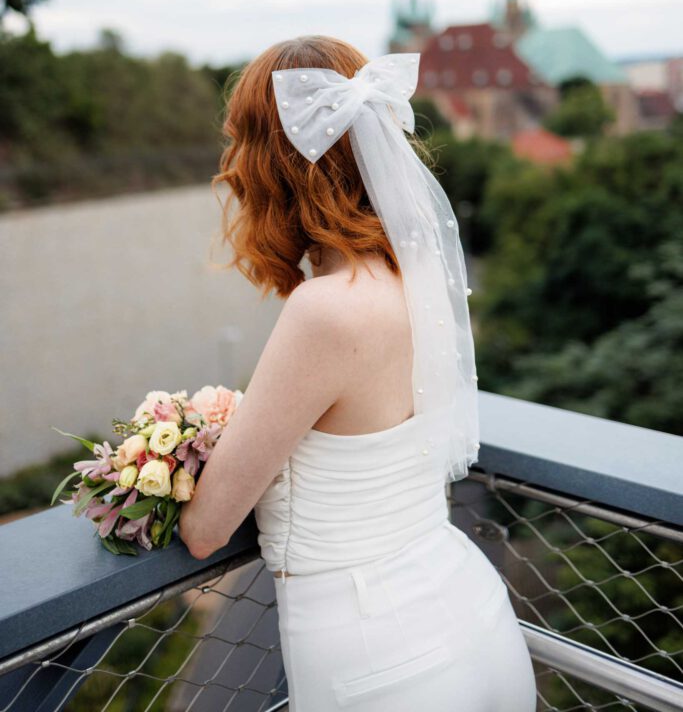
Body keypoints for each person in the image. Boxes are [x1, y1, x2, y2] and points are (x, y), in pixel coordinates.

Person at [178, 35, 537, 710]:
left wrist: (167, 451)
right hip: (471, 611)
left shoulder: (325, 313)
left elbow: (206, 529)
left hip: (379, 656)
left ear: (271, 167)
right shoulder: (419, 280)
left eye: (239, 147)